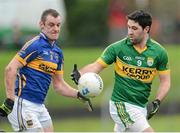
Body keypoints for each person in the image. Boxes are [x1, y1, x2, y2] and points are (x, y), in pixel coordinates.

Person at [71, 10, 171, 132]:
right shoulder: (117, 48)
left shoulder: (159, 52)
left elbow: (165, 81)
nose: (130, 32)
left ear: (146, 29)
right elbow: (96, 66)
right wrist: (80, 74)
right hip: (121, 105)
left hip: (141, 107)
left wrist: (157, 101)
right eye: (128, 27)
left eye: (134, 28)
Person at [0, 9, 93, 132]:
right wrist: (10, 98)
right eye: (51, 25)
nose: (55, 29)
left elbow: (59, 85)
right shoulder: (35, 45)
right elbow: (10, 69)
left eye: (58, 25)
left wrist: (79, 95)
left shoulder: (58, 53)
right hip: (23, 104)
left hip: (39, 106)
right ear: (41, 25)